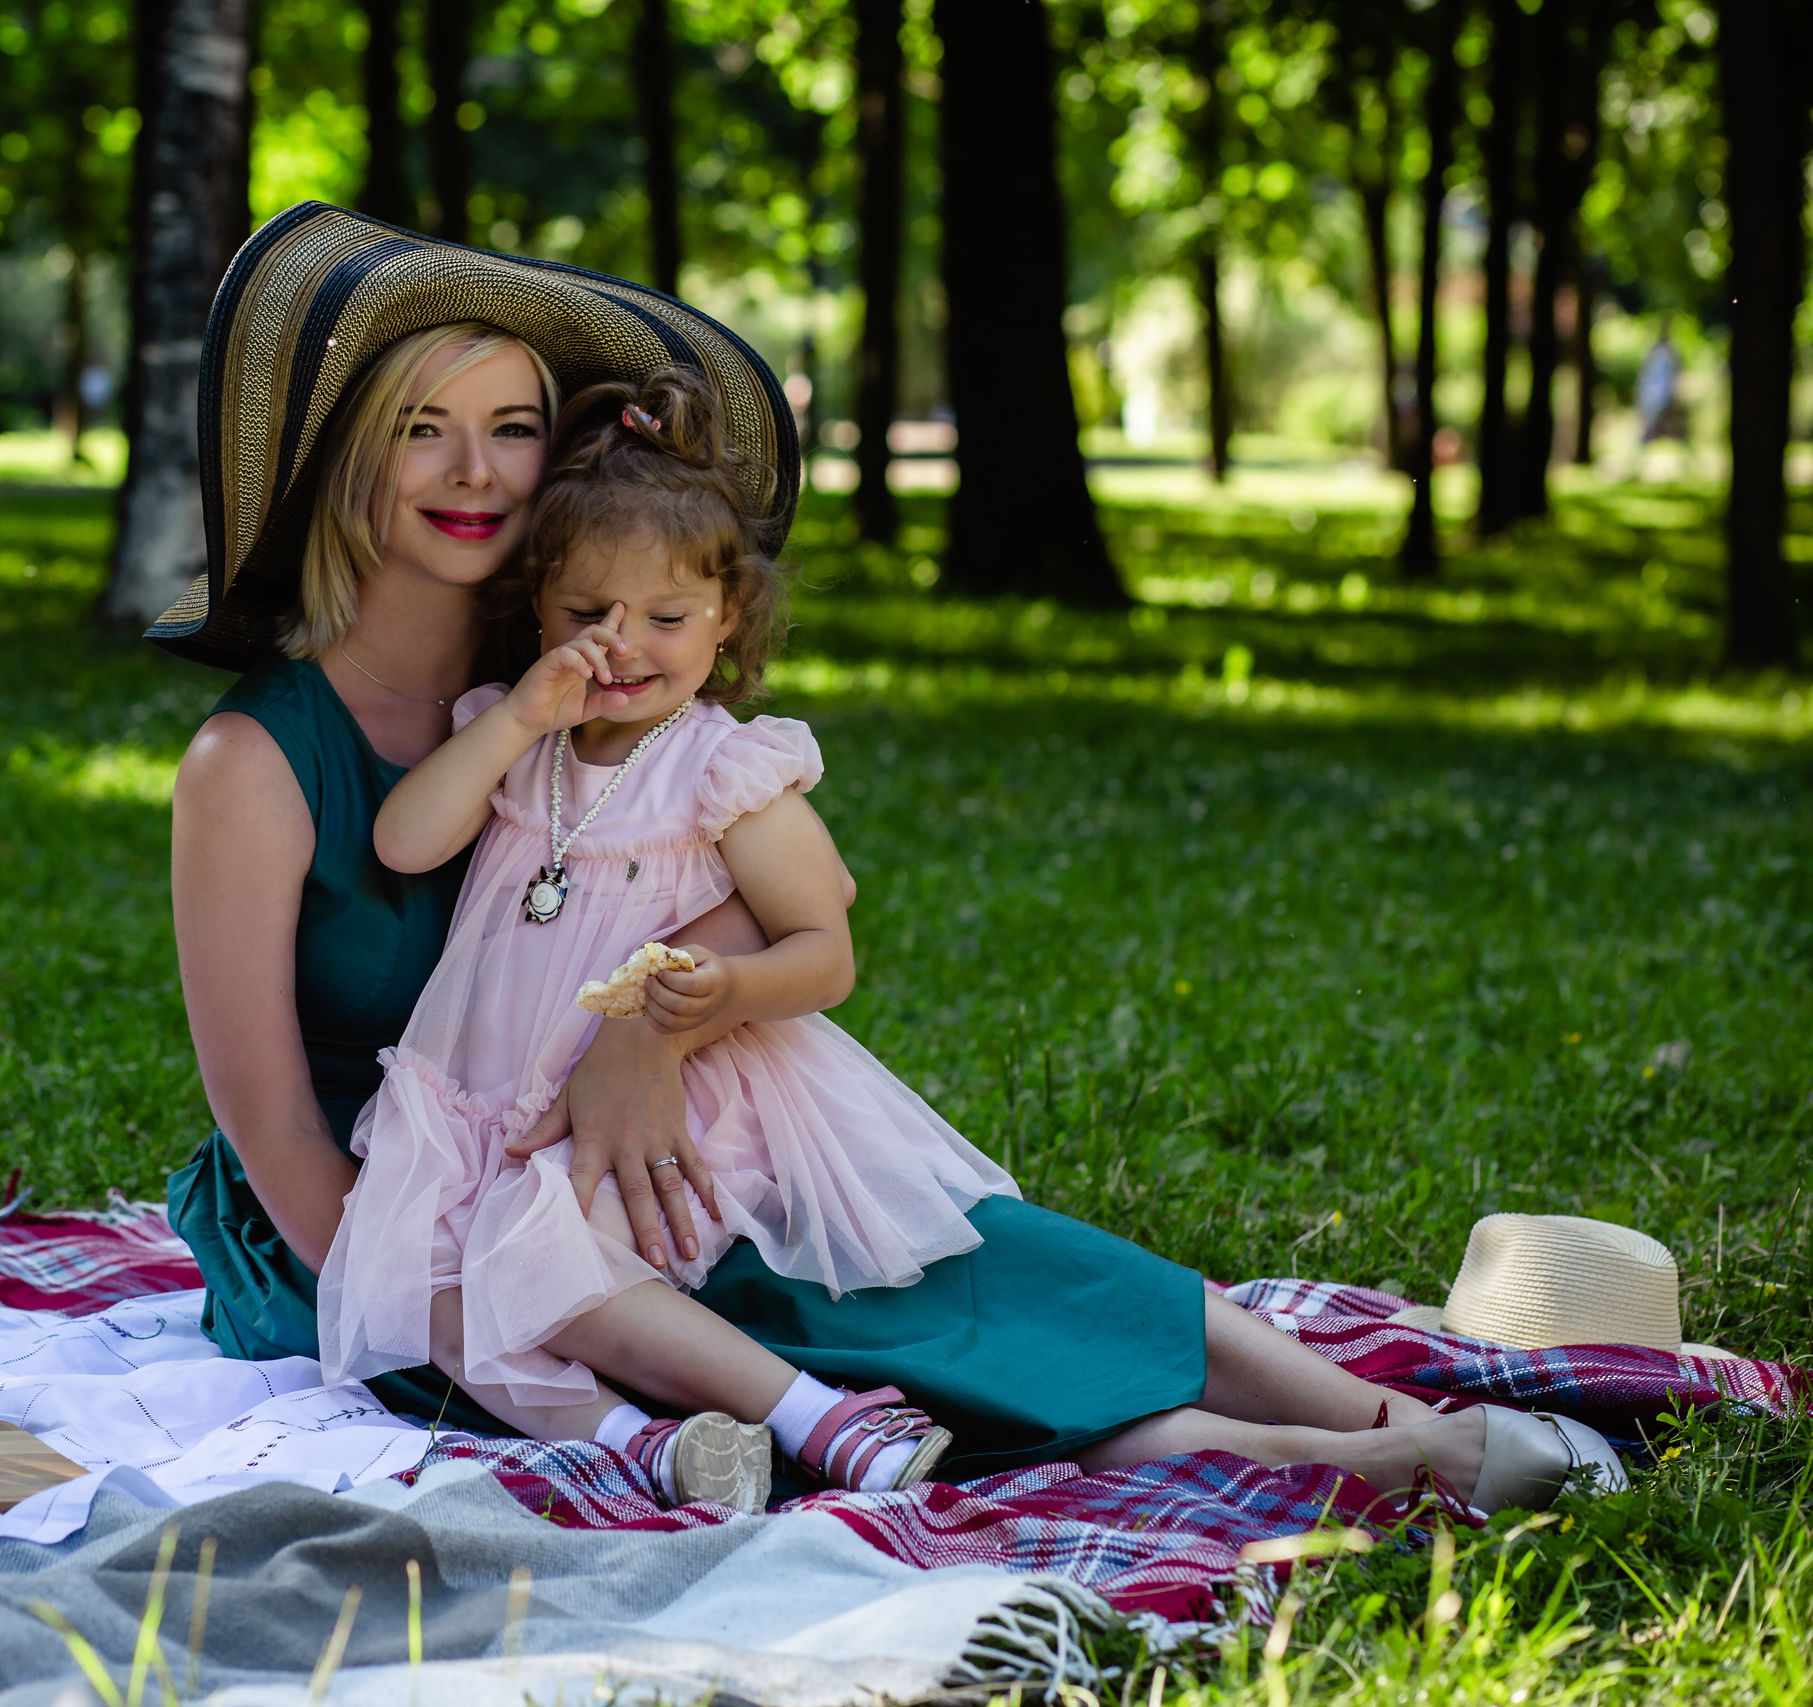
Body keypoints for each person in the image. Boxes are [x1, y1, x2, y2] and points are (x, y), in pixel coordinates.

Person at [161, 204, 1615, 1520]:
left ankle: (1415, 1420)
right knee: (845, 1342)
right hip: (391, 1224)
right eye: (422, 427)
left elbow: (764, 881)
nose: (476, 470)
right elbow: (279, 1130)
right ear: (348, 455)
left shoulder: (581, 661)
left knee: (964, 1253)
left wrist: (648, 1033)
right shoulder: (259, 762)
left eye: (515, 426)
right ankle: (1363, 1464)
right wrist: (433, 1291)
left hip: (641, 1132)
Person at [320, 365, 1015, 1508]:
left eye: (666, 617)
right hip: (481, 1099)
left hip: (665, 1106)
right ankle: (641, 1445)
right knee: (416, 1291)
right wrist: (517, 719)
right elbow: (404, 842)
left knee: (541, 1256)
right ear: (537, 609)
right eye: (585, 614)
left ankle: (818, 1418)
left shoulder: (723, 770)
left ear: (729, 614)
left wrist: (728, 983)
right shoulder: (515, 741)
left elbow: (823, 951)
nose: (620, 646)